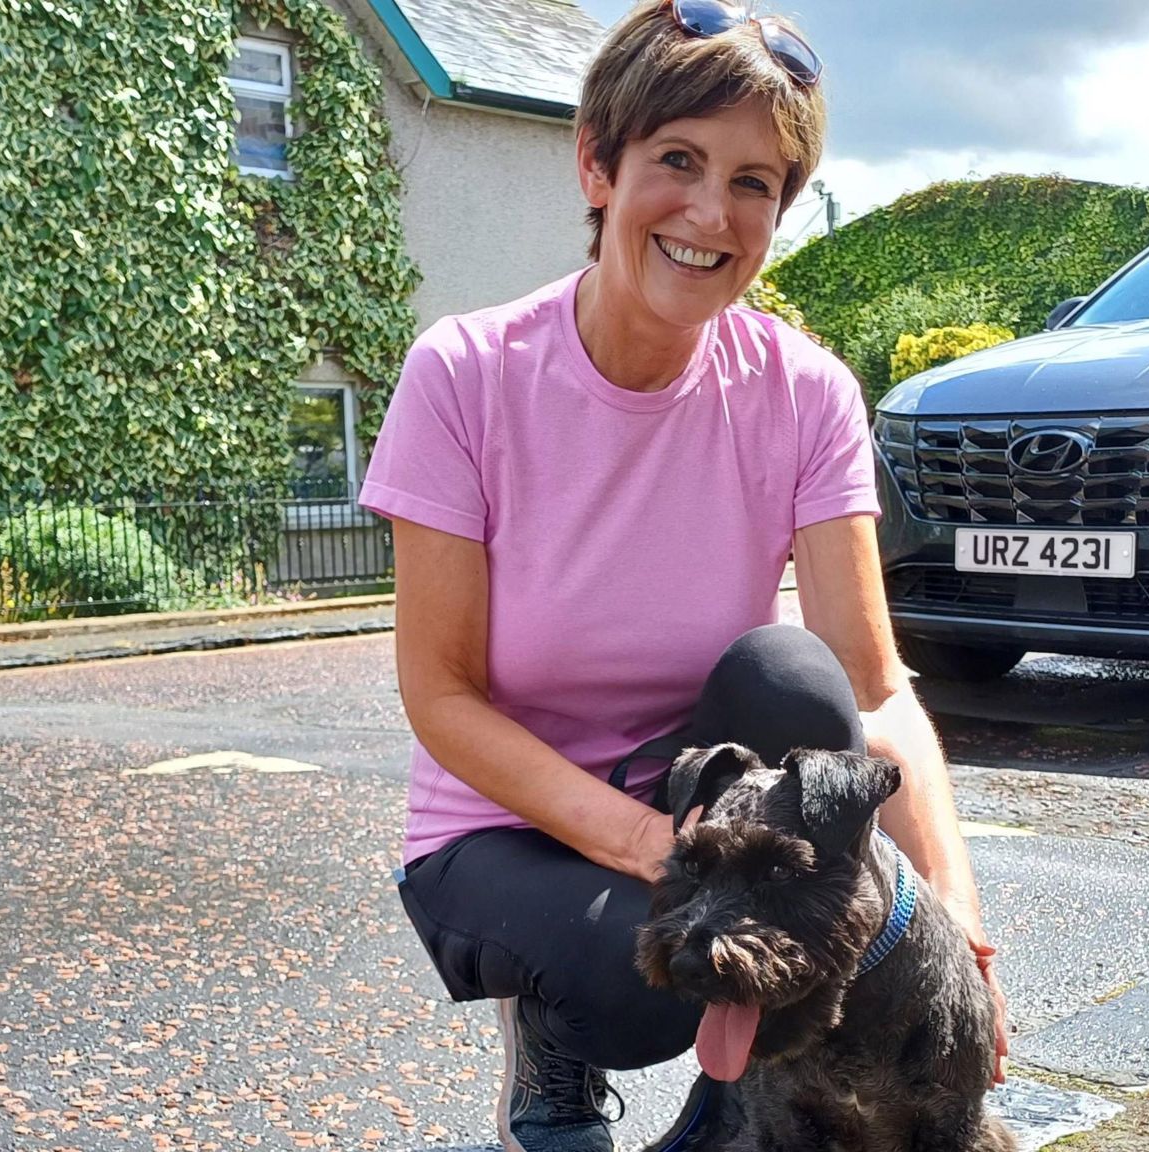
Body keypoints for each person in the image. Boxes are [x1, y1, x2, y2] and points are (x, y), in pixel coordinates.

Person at [356, 3, 1006, 1149]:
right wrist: (676, 866)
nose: (710, 213)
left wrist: (954, 920)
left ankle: (739, 1100)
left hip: (694, 789)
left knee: (788, 675)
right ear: (596, 164)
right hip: (500, 823)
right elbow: (441, 697)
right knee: (630, 981)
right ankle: (549, 1054)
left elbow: (868, 688)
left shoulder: (801, 391)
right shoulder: (463, 374)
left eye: (754, 182)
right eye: (677, 161)